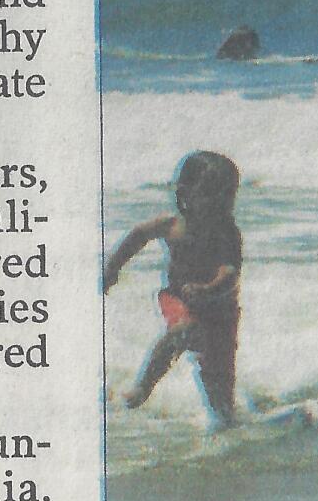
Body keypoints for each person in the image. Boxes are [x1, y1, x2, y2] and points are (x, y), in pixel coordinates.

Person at [102, 150, 245, 425]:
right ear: (185, 194)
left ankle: (226, 417)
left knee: (222, 404)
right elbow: (138, 236)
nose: (221, 206)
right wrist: (113, 268)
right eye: (212, 197)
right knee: (182, 330)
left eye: (228, 197)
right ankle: (141, 389)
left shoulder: (227, 232)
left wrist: (209, 289)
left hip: (221, 312)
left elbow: (230, 272)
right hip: (179, 299)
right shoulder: (172, 225)